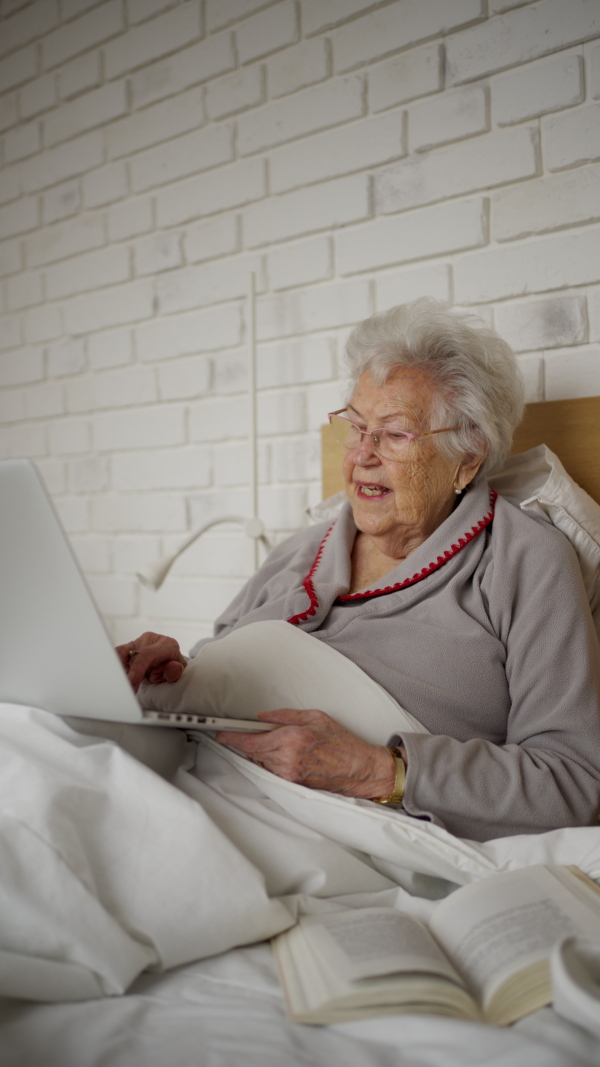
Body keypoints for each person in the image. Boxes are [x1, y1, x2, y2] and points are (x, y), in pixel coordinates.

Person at [117, 299, 600, 841]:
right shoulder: (299, 551)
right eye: (356, 426)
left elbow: (573, 781)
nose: (361, 456)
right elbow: (217, 686)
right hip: (203, 778)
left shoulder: (525, 560)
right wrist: (173, 670)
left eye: (394, 435)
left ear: (467, 458)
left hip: (327, 827)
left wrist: (378, 771)